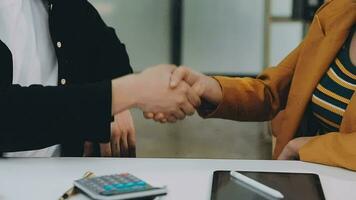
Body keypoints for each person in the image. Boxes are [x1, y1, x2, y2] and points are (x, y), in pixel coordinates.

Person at [147, 0, 356, 170]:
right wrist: (211, 87)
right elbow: (271, 90)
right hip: (312, 177)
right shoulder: (338, 12)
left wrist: (307, 147)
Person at [0, 0, 198, 157]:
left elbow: (108, 51)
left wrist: (116, 108)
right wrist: (124, 94)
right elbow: (9, 115)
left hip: (57, 176)